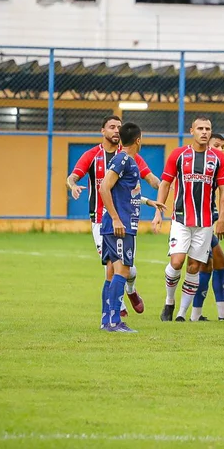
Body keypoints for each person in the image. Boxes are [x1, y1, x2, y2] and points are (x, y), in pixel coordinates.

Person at [68, 114, 159, 316]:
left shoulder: (128, 156)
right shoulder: (93, 155)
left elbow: (149, 179)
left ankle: (130, 291)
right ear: (102, 131)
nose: (116, 130)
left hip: (124, 220)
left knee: (127, 270)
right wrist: (73, 185)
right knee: (113, 268)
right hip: (102, 221)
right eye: (111, 127)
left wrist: (163, 188)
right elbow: (73, 177)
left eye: (119, 127)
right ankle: (114, 313)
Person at [153, 116, 224, 322]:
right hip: (180, 218)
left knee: (194, 266)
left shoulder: (218, 159)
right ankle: (170, 301)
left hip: (205, 222)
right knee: (177, 262)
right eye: (200, 128)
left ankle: (181, 314)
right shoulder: (179, 154)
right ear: (192, 131)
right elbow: (165, 183)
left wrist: (222, 218)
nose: (204, 132)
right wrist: (158, 212)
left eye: (208, 129)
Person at [98, 122, 168, 333]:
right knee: (123, 270)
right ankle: (113, 322)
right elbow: (104, 188)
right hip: (120, 226)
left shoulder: (127, 161)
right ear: (138, 139)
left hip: (118, 224)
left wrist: (149, 202)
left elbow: (126, 193)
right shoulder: (124, 160)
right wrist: (116, 218)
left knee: (111, 272)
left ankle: (106, 319)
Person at [187, 133, 224, 322]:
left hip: (207, 220)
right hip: (201, 222)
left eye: (223, 147)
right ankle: (220, 313)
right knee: (217, 264)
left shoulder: (214, 165)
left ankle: (196, 315)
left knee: (208, 266)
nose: (220, 150)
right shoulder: (203, 165)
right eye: (217, 145)